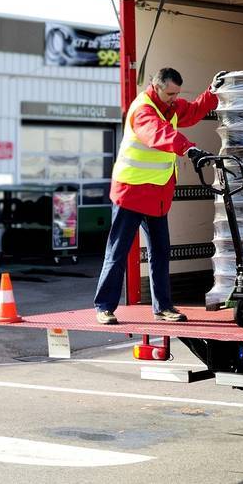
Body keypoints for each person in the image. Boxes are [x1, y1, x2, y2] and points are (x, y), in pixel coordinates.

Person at [94, 66, 224, 324]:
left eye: (177, 94)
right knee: (118, 251)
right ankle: (104, 307)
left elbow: (193, 111)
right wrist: (188, 149)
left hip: (156, 193)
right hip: (131, 192)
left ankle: (163, 307)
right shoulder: (143, 110)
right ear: (156, 88)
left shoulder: (171, 106)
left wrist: (212, 92)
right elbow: (158, 134)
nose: (175, 98)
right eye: (170, 94)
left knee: (161, 252)